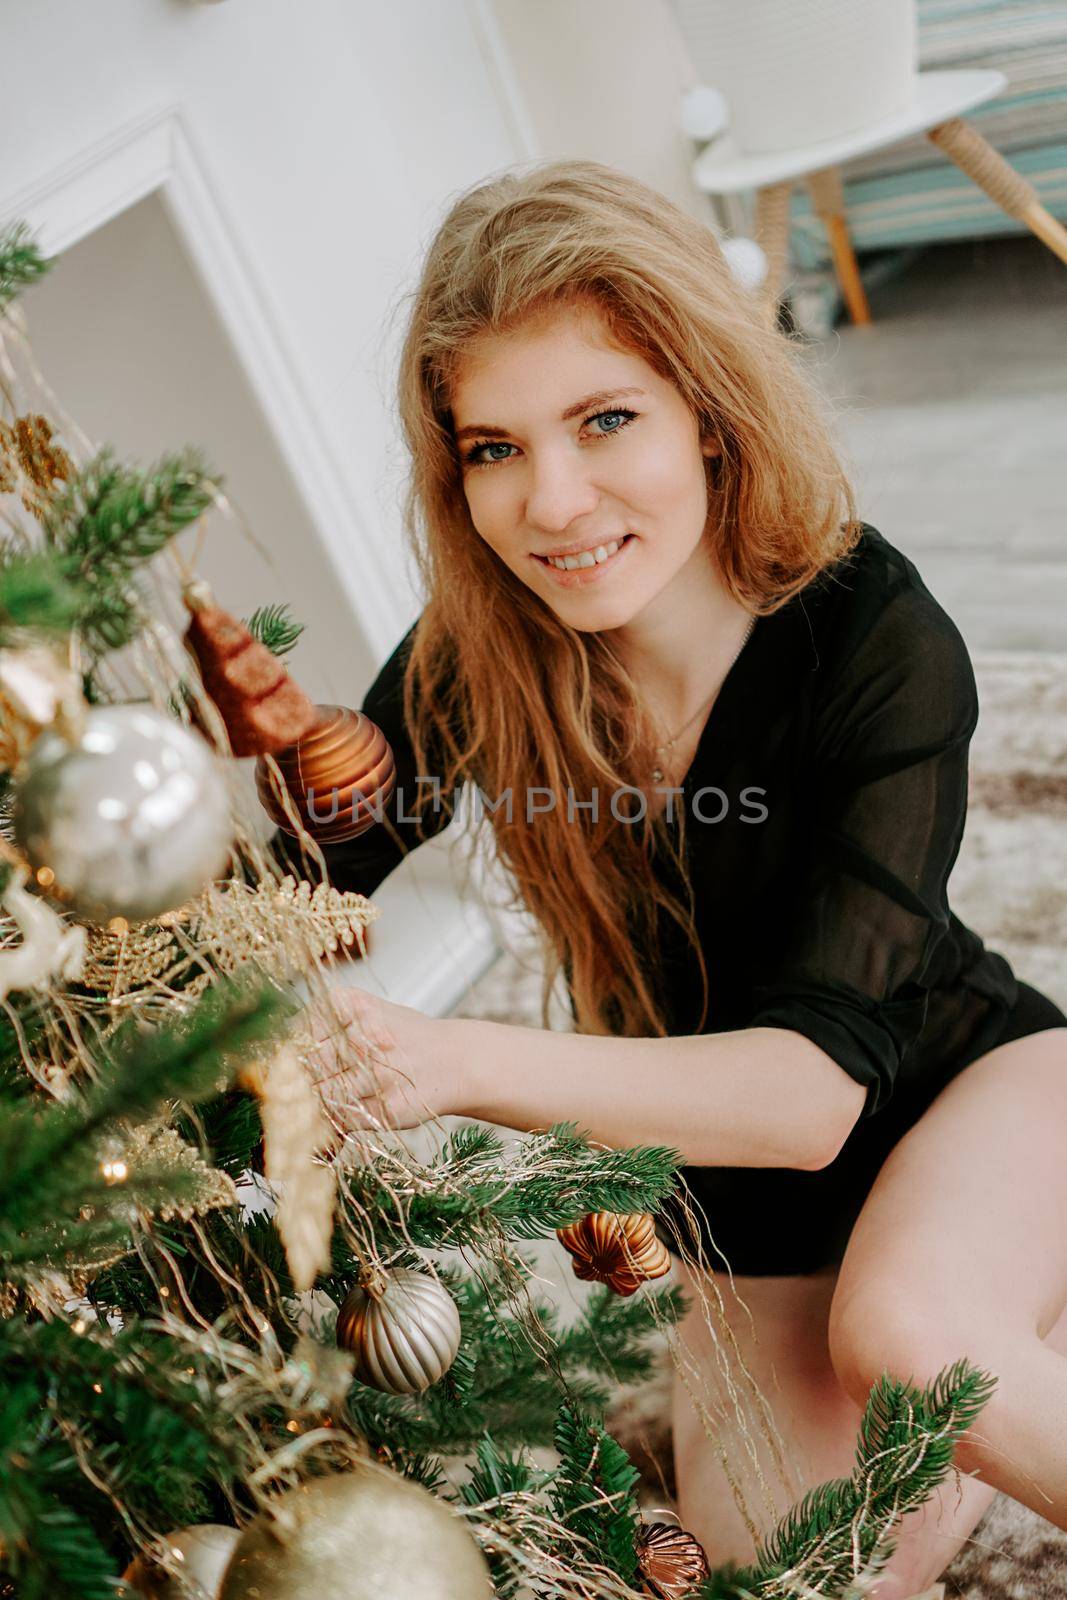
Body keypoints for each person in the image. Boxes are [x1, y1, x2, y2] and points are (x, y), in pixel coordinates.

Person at [273, 160, 1067, 1596]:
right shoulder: (479, 647)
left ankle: (993, 1286)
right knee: (788, 1578)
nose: (553, 502)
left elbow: (813, 1097)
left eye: (606, 420)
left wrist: (447, 1060)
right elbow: (298, 870)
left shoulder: (878, 638)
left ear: (709, 411)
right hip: (735, 1208)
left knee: (911, 1337)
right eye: (493, 447)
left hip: (967, 1082)